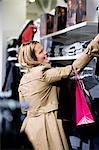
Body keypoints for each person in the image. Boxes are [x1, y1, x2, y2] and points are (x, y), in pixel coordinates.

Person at [18, 34, 99, 150]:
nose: (45, 53)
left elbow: (23, 108)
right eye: (40, 52)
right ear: (32, 58)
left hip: (29, 127)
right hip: (48, 125)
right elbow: (74, 69)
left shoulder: (24, 79)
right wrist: (94, 43)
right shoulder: (44, 73)